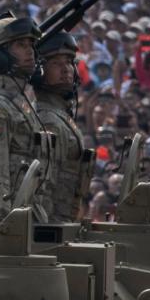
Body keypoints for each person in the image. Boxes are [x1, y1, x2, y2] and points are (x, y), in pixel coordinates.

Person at [0, 16, 48, 220]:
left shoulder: (19, 102)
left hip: (29, 213)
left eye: (30, 45)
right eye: (20, 45)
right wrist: (7, 227)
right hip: (15, 220)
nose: (30, 51)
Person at [32, 33, 90, 222]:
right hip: (54, 221)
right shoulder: (47, 120)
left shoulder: (60, 114)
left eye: (69, 63)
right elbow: (45, 186)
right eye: (56, 63)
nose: (66, 69)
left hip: (65, 219)